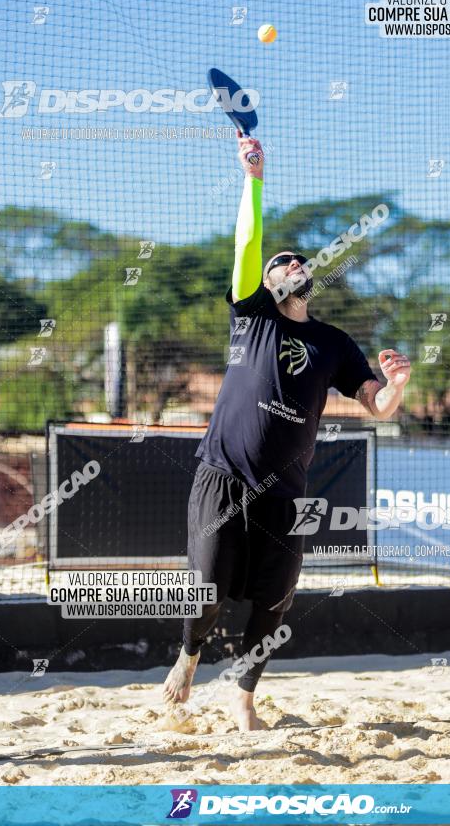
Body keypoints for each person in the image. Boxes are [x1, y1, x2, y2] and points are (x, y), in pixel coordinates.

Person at [163, 132, 412, 730]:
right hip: (222, 477)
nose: (291, 265)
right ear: (265, 283)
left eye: (297, 262)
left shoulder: (333, 343)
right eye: (281, 264)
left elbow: (377, 406)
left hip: (284, 491)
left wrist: (397, 385)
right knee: (206, 588)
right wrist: (253, 177)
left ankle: (244, 696)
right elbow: (248, 242)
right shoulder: (252, 316)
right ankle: (190, 654)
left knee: (276, 602)